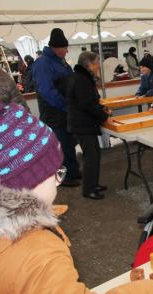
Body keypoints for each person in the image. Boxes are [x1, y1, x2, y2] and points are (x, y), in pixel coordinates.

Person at [0, 89, 153, 294]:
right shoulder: (38, 253)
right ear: (30, 183)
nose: (59, 181)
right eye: (57, 173)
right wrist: (151, 290)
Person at [33, 27, 81, 187]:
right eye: (63, 48)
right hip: (54, 111)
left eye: (66, 48)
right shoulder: (42, 63)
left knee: (69, 142)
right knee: (60, 145)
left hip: (65, 110)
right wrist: (65, 105)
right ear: (53, 47)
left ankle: (73, 171)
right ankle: (65, 177)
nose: (65, 51)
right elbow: (47, 91)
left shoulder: (61, 61)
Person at [67, 52, 110, 200]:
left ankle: (93, 184)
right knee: (91, 157)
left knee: (94, 155)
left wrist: (101, 110)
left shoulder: (83, 77)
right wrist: (103, 115)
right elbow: (87, 104)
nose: (99, 66)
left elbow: (90, 102)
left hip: (83, 123)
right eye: (97, 62)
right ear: (89, 64)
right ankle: (89, 189)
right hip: (82, 124)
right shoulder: (81, 79)